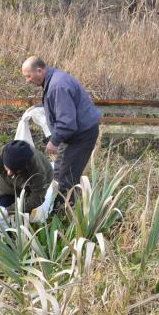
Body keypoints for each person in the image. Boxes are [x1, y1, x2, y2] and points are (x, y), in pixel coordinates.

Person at [21, 56, 101, 207]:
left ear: (39, 70)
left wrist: (54, 141)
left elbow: (67, 122)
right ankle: (62, 207)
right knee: (60, 171)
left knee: (66, 178)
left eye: (28, 76)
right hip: (76, 133)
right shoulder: (53, 80)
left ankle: (65, 215)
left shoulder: (57, 85)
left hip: (80, 136)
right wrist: (39, 107)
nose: (27, 80)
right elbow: (61, 106)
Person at [0, 139, 53, 215]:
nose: (8, 173)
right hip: (9, 185)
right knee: (3, 207)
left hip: (33, 184)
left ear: (24, 167)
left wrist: (9, 211)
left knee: (23, 213)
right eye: (7, 168)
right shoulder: (0, 154)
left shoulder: (38, 171)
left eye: (14, 170)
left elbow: (36, 198)